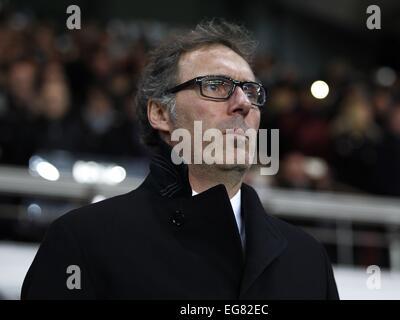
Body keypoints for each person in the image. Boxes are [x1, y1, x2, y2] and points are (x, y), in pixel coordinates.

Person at [21, 19, 339, 300]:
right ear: (161, 114)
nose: (243, 103)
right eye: (216, 85)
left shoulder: (307, 259)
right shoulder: (82, 243)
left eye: (251, 91)